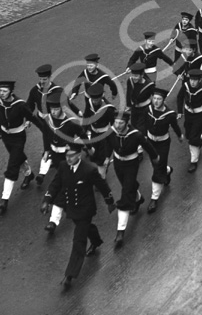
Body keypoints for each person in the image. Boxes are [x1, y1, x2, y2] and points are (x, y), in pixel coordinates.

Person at [41, 142, 116, 290]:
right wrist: (47, 200)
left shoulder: (89, 169)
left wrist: (109, 201)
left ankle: (70, 273)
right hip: (71, 208)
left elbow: (102, 185)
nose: (69, 159)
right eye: (67, 156)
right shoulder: (63, 166)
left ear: (79, 155)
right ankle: (96, 240)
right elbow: (55, 184)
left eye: (72, 156)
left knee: (78, 240)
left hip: (85, 209)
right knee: (85, 228)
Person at [105, 112, 159, 247]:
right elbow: (108, 144)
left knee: (126, 193)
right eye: (116, 122)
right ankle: (138, 198)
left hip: (131, 163)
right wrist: (106, 157)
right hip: (118, 162)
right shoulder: (111, 131)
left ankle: (120, 231)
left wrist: (155, 157)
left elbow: (147, 146)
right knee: (127, 185)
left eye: (121, 123)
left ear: (127, 123)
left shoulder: (136, 134)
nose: (117, 125)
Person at [0, 80, 35, 213]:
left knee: (12, 165)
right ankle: (29, 174)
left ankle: (4, 199)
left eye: (5, 91)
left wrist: (29, 122)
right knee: (18, 157)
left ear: (11, 91)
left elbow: (30, 116)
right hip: (6, 136)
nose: (2, 93)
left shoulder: (20, 104)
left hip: (18, 136)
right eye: (1, 91)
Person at [144, 88, 183, 213]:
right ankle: (167, 170)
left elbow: (175, 125)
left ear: (163, 100)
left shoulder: (170, 114)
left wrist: (179, 135)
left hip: (163, 143)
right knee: (156, 164)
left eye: (159, 99)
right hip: (150, 142)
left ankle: (154, 199)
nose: (155, 101)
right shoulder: (148, 110)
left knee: (157, 168)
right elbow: (144, 123)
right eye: (154, 98)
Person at [68, 82, 117, 180]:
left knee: (102, 157)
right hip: (94, 132)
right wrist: (83, 131)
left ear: (102, 97)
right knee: (94, 154)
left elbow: (113, 124)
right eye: (93, 99)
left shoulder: (108, 109)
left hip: (105, 134)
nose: (94, 101)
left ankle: (102, 175)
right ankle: (100, 167)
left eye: (97, 99)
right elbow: (86, 117)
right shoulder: (89, 103)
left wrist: (113, 140)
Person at [125, 62, 156, 131]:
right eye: (133, 75)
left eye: (136, 76)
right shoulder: (130, 81)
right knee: (133, 125)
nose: (134, 78)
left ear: (142, 75)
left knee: (141, 128)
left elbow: (154, 95)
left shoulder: (149, 85)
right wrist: (128, 105)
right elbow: (128, 93)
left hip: (145, 109)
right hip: (134, 108)